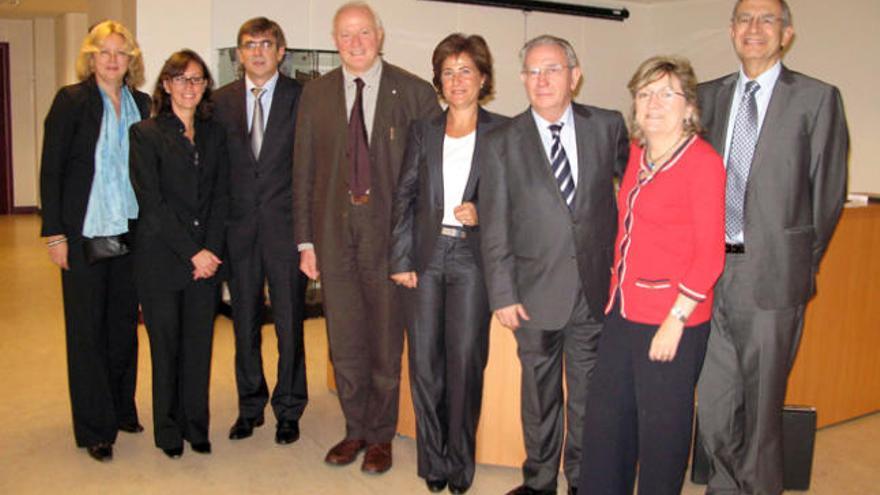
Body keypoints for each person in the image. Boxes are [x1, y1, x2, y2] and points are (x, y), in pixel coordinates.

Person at [695, 1, 849, 493]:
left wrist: (794, 263)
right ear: (731, 30)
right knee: (715, 401)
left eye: (767, 20)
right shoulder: (705, 97)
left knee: (761, 407)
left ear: (787, 34)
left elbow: (825, 196)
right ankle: (722, 485)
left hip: (773, 276)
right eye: (744, 19)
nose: (754, 28)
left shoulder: (817, 99)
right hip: (708, 272)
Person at [293, 1, 440, 474]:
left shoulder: (415, 93)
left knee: (383, 339)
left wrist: (416, 246)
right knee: (345, 339)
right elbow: (303, 173)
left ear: (380, 34)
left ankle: (380, 436)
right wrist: (305, 242)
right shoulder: (313, 95)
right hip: (333, 235)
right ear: (335, 41)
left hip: (389, 237)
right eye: (345, 35)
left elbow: (429, 178)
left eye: (363, 33)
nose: (355, 43)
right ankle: (354, 428)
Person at [479, 35, 629, 495]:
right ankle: (540, 481)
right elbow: (495, 222)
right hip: (531, 294)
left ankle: (584, 480)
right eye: (533, 71)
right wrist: (502, 293)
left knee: (587, 399)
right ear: (522, 79)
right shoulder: (502, 140)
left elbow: (637, 193)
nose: (542, 80)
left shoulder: (607, 126)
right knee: (539, 398)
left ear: (574, 76)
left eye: (553, 69)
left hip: (592, 290)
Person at [577, 56, 725, 495]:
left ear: (689, 108)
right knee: (607, 426)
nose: (653, 103)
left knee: (662, 434)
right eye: (644, 94)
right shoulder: (639, 153)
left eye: (666, 93)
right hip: (624, 310)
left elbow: (709, 255)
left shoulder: (702, 162)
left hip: (672, 320)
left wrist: (675, 320)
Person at [390, 33, 507, 494]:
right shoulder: (424, 130)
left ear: (482, 78)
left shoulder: (504, 131)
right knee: (424, 363)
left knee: (465, 362)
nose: (457, 81)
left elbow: (515, 200)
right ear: (438, 80)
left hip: (472, 259)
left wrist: (483, 211)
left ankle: (461, 463)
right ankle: (434, 460)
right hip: (425, 256)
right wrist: (400, 258)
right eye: (448, 72)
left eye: (466, 71)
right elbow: (404, 196)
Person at [39, 20, 150, 463]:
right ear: (90, 57)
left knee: (123, 326)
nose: (111, 59)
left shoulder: (142, 103)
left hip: (131, 230)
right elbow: (51, 169)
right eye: (102, 51)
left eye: (120, 52)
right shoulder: (70, 101)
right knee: (87, 331)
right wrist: (54, 234)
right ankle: (95, 427)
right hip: (83, 230)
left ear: (132, 60)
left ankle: (122, 408)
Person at [129, 49, 229, 459]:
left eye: (197, 79)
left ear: (205, 87)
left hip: (206, 259)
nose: (190, 87)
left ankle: (196, 424)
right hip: (162, 260)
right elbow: (152, 205)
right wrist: (193, 253)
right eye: (181, 79)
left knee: (198, 346)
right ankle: (168, 429)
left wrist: (211, 251)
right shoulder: (145, 133)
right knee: (166, 346)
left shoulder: (215, 134)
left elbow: (222, 197)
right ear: (166, 85)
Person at [213, 17, 307, 446]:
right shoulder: (219, 102)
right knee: (244, 322)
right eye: (248, 44)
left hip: (286, 231)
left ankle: (289, 408)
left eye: (266, 44)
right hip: (239, 232)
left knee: (289, 323)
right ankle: (250, 406)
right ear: (238, 54)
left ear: (281, 51)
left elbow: (311, 170)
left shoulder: (302, 98)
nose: (257, 51)